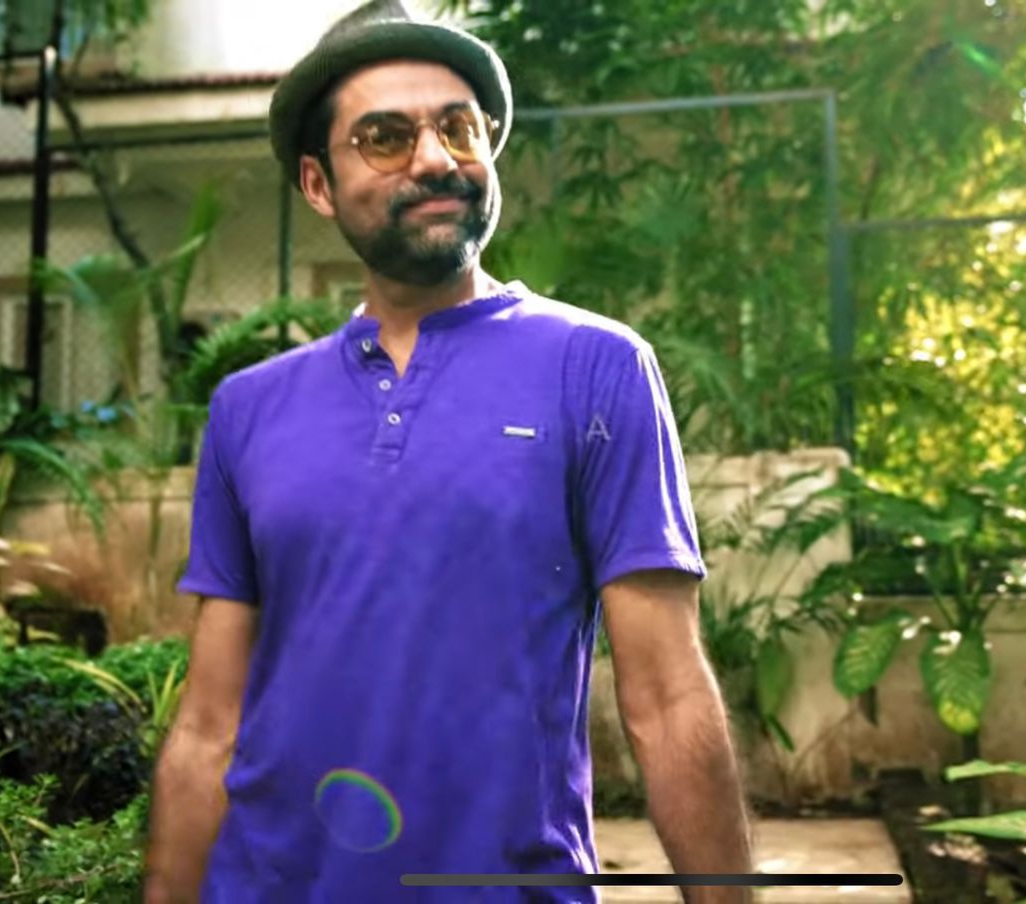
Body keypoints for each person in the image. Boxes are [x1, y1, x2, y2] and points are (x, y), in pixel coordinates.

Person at [142, 2, 755, 901]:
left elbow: (667, 697)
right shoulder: (248, 410)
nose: (435, 159)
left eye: (459, 129)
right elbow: (208, 724)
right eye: (386, 138)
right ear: (318, 184)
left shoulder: (597, 368)